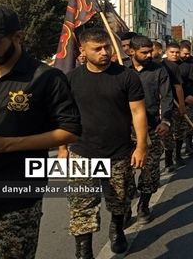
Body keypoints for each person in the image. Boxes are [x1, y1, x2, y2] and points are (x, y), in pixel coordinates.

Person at [0, 4, 81, 259]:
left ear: (17, 37)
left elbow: (70, 131)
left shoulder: (47, 78)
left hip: (17, 196)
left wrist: (5, 144)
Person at [61, 28, 148, 257]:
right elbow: (63, 117)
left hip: (118, 151)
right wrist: (62, 148)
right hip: (82, 151)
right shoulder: (71, 79)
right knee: (81, 204)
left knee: (119, 198)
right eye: (97, 48)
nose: (104, 52)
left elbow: (138, 112)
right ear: (83, 50)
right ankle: (83, 249)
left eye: (107, 47)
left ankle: (117, 228)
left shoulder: (127, 76)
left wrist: (141, 146)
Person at [126, 35, 171, 225]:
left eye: (150, 51)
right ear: (131, 52)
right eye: (144, 52)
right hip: (124, 130)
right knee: (123, 173)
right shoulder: (120, 70)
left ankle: (143, 204)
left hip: (151, 127)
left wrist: (166, 121)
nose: (149, 55)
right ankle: (125, 207)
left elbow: (167, 96)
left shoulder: (159, 70)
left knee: (150, 170)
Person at [162, 42, 187, 171]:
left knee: (178, 131)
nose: (175, 55)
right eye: (172, 52)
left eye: (177, 52)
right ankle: (170, 160)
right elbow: (178, 87)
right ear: (166, 52)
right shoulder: (166, 65)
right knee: (171, 132)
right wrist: (182, 105)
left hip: (172, 103)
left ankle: (176, 157)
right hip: (171, 104)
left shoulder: (178, 65)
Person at [178, 41, 193, 154]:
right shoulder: (168, 64)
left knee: (188, 125)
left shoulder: (191, 63)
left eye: (188, 54)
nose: (187, 56)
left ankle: (189, 146)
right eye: (184, 54)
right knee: (176, 130)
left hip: (189, 99)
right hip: (175, 101)